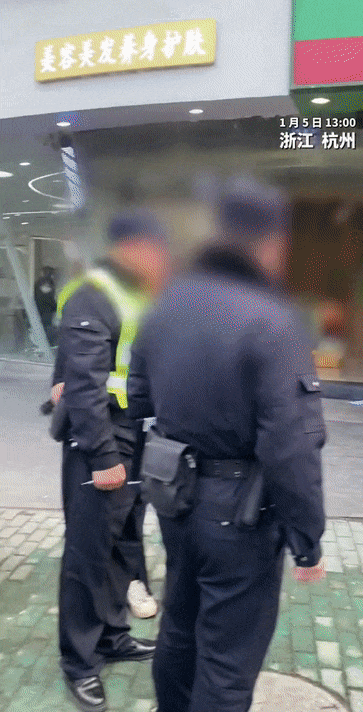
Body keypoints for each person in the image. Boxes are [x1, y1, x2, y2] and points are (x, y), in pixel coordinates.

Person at [127, 177, 326, 712]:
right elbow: (290, 444)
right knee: (227, 661)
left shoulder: (165, 304)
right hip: (240, 516)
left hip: (173, 495)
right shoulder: (273, 319)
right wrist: (308, 539)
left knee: (180, 625)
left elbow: (138, 396)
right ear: (272, 241)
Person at [52, 211, 170, 712]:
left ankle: (112, 635)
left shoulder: (138, 294)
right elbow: (82, 382)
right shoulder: (93, 293)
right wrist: (102, 455)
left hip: (136, 434)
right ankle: (80, 662)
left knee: (122, 545)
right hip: (101, 441)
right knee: (88, 553)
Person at [34, 266, 57, 345]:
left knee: (43, 328)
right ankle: (46, 345)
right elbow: (47, 297)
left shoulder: (39, 282)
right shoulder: (46, 281)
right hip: (45, 310)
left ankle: (42, 344)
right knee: (46, 328)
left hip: (40, 309)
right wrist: (55, 307)